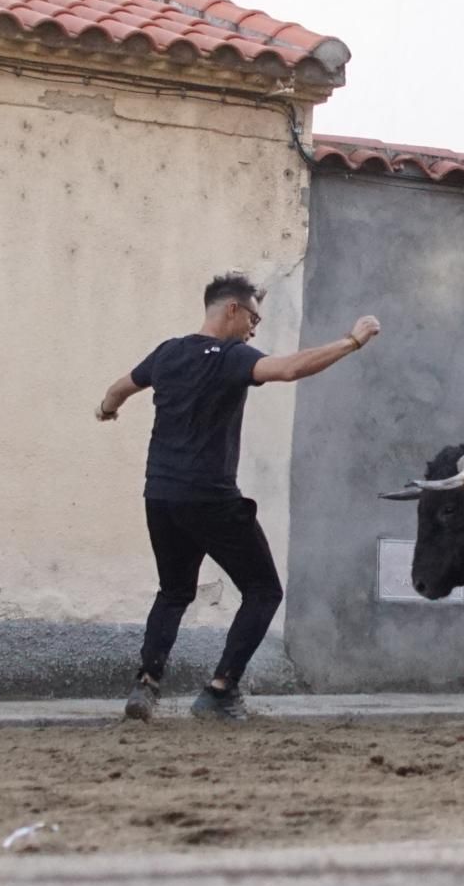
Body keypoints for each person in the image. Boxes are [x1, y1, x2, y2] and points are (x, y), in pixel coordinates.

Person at [96, 272, 380, 721]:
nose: (254, 329)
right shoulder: (230, 357)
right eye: (253, 317)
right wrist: (352, 341)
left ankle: (145, 686)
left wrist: (106, 411)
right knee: (264, 589)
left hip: (161, 495)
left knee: (173, 591)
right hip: (210, 497)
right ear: (231, 309)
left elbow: (116, 391)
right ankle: (221, 689)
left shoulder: (167, 353)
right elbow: (288, 369)